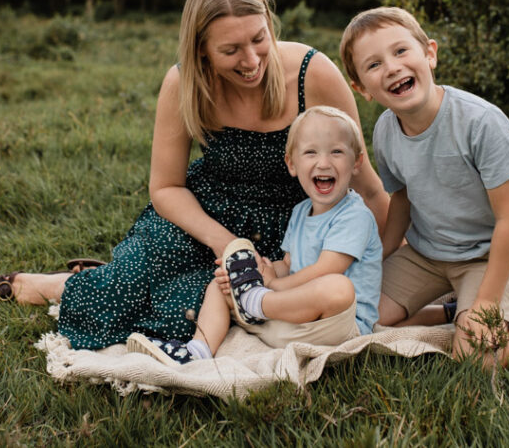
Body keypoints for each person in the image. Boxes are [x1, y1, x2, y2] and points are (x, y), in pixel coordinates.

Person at [0, 0, 389, 351]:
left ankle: (103, 280)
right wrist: (223, 241)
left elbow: (365, 183)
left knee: (187, 311)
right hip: (206, 212)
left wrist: (384, 260)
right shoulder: (183, 84)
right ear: (202, 49)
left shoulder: (312, 74)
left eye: (259, 39)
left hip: (284, 228)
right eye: (230, 49)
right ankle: (65, 285)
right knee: (131, 281)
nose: (251, 60)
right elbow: (166, 187)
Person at [338, 7, 509, 366]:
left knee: (477, 360)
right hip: (426, 255)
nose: (392, 68)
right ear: (361, 88)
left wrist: (489, 300)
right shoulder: (384, 132)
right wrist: (377, 257)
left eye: (400, 51)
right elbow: (400, 200)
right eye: (374, 65)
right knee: (359, 318)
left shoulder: (480, 122)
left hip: (486, 254)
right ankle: (455, 310)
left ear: (429, 54)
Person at [126, 106, 382, 365]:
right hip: (291, 322)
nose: (323, 162)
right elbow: (290, 265)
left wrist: (271, 287)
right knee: (223, 282)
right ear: (292, 164)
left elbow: (328, 269)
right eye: (310, 152)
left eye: (336, 152)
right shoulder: (301, 211)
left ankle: (255, 302)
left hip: (339, 325)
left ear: (357, 161)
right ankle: (197, 350)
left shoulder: (354, 215)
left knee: (338, 288)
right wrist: (263, 272)